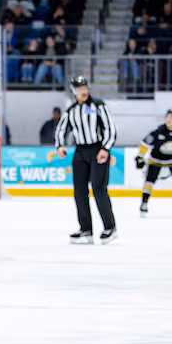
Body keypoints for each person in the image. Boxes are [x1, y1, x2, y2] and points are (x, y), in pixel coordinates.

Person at [55, 76, 117, 244]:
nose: (82, 91)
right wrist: (60, 145)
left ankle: (110, 227)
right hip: (80, 151)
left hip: (98, 149)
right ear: (74, 91)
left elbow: (110, 128)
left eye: (84, 87)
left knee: (98, 188)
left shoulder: (98, 106)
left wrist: (105, 148)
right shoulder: (72, 110)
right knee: (79, 191)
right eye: (78, 88)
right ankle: (86, 229)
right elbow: (62, 128)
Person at [136, 109, 172, 217]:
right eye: (167, 117)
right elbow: (144, 144)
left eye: (171, 117)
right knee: (149, 182)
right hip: (156, 160)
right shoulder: (159, 131)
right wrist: (140, 157)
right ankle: (144, 203)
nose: (168, 119)